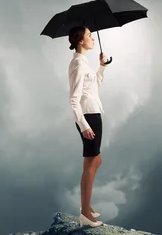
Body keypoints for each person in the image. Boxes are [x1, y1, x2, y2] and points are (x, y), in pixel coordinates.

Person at [67, 25, 109, 228]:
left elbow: (94, 87)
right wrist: (83, 125)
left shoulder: (84, 63)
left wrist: (101, 66)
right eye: (89, 35)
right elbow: (74, 99)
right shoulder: (78, 64)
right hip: (88, 117)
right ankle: (85, 213)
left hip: (93, 114)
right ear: (80, 41)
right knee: (91, 163)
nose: (93, 38)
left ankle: (87, 205)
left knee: (95, 161)